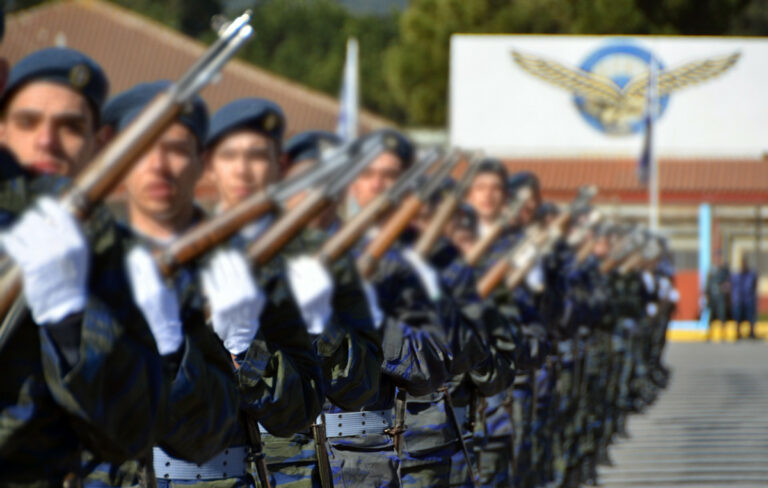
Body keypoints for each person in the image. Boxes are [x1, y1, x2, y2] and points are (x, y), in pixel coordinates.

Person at [0, 44, 174, 485]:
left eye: (71, 126)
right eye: (28, 122)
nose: (47, 141)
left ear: (99, 145)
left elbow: (131, 433)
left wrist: (70, 322)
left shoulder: (116, 259)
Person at [731, 256, 758, 339]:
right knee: (738, 316)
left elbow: (754, 286)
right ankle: (738, 333)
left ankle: (752, 332)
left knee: (751, 316)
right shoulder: (736, 275)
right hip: (739, 300)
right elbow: (734, 287)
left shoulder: (751, 275)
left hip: (748, 299)